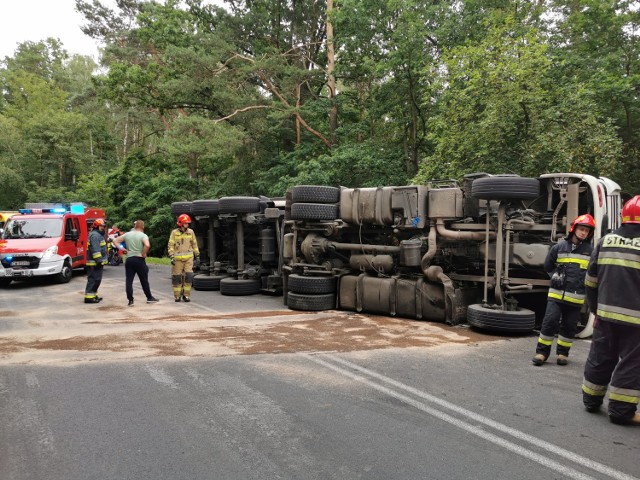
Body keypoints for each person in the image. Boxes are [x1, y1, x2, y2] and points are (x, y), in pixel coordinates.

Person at [582, 195, 640, 425]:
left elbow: (590, 280)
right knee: (632, 362)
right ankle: (620, 410)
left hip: (605, 314)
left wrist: (595, 311)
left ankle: (591, 399)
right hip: (636, 320)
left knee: (601, 356)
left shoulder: (606, 241)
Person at [532, 214, 596, 366]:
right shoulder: (559, 247)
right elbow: (548, 266)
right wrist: (555, 276)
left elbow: (593, 273)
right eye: (581, 229)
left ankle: (562, 354)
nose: (583, 233)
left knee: (569, 326)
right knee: (550, 322)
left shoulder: (590, 251)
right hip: (556, 295)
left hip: (576, 298)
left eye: (587, 231)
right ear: (574, 229)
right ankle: (542, 353)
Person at [113, 220, 159, 306]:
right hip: (139, 259)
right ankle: (149, 298)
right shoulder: (143, 235)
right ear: (142, 226)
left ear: (135, 226)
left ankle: (130, 300)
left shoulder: (127, 234)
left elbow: (115, 241)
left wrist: (122, 249)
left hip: (129, 259)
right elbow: (147, 245)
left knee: (129, 280)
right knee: (144, 280)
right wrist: (144, 253)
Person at [167, 213, 200, 302]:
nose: (187, 225)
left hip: (188, 259)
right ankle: (177, 296)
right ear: (181, 223)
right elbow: (171, 245)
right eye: (186, 223)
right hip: (177, 260)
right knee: (177, 278)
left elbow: (194, 244)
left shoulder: (191, 232)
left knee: (188, 276)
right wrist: (171, 256)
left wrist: (197, 255)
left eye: (188, 223)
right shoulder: (174, 233)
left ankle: (186, 296)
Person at [84, 218, 108, 304]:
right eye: (102, 226)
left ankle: (93, 295)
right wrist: (99, 261)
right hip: (94, 262)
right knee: (94, 280)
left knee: (96, 279)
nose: (103, 228)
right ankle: (89, 298)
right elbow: (95, 249)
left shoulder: (98, 234)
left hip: (96, 262)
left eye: (104, 226)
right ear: (97, 226)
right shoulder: (95, 235)